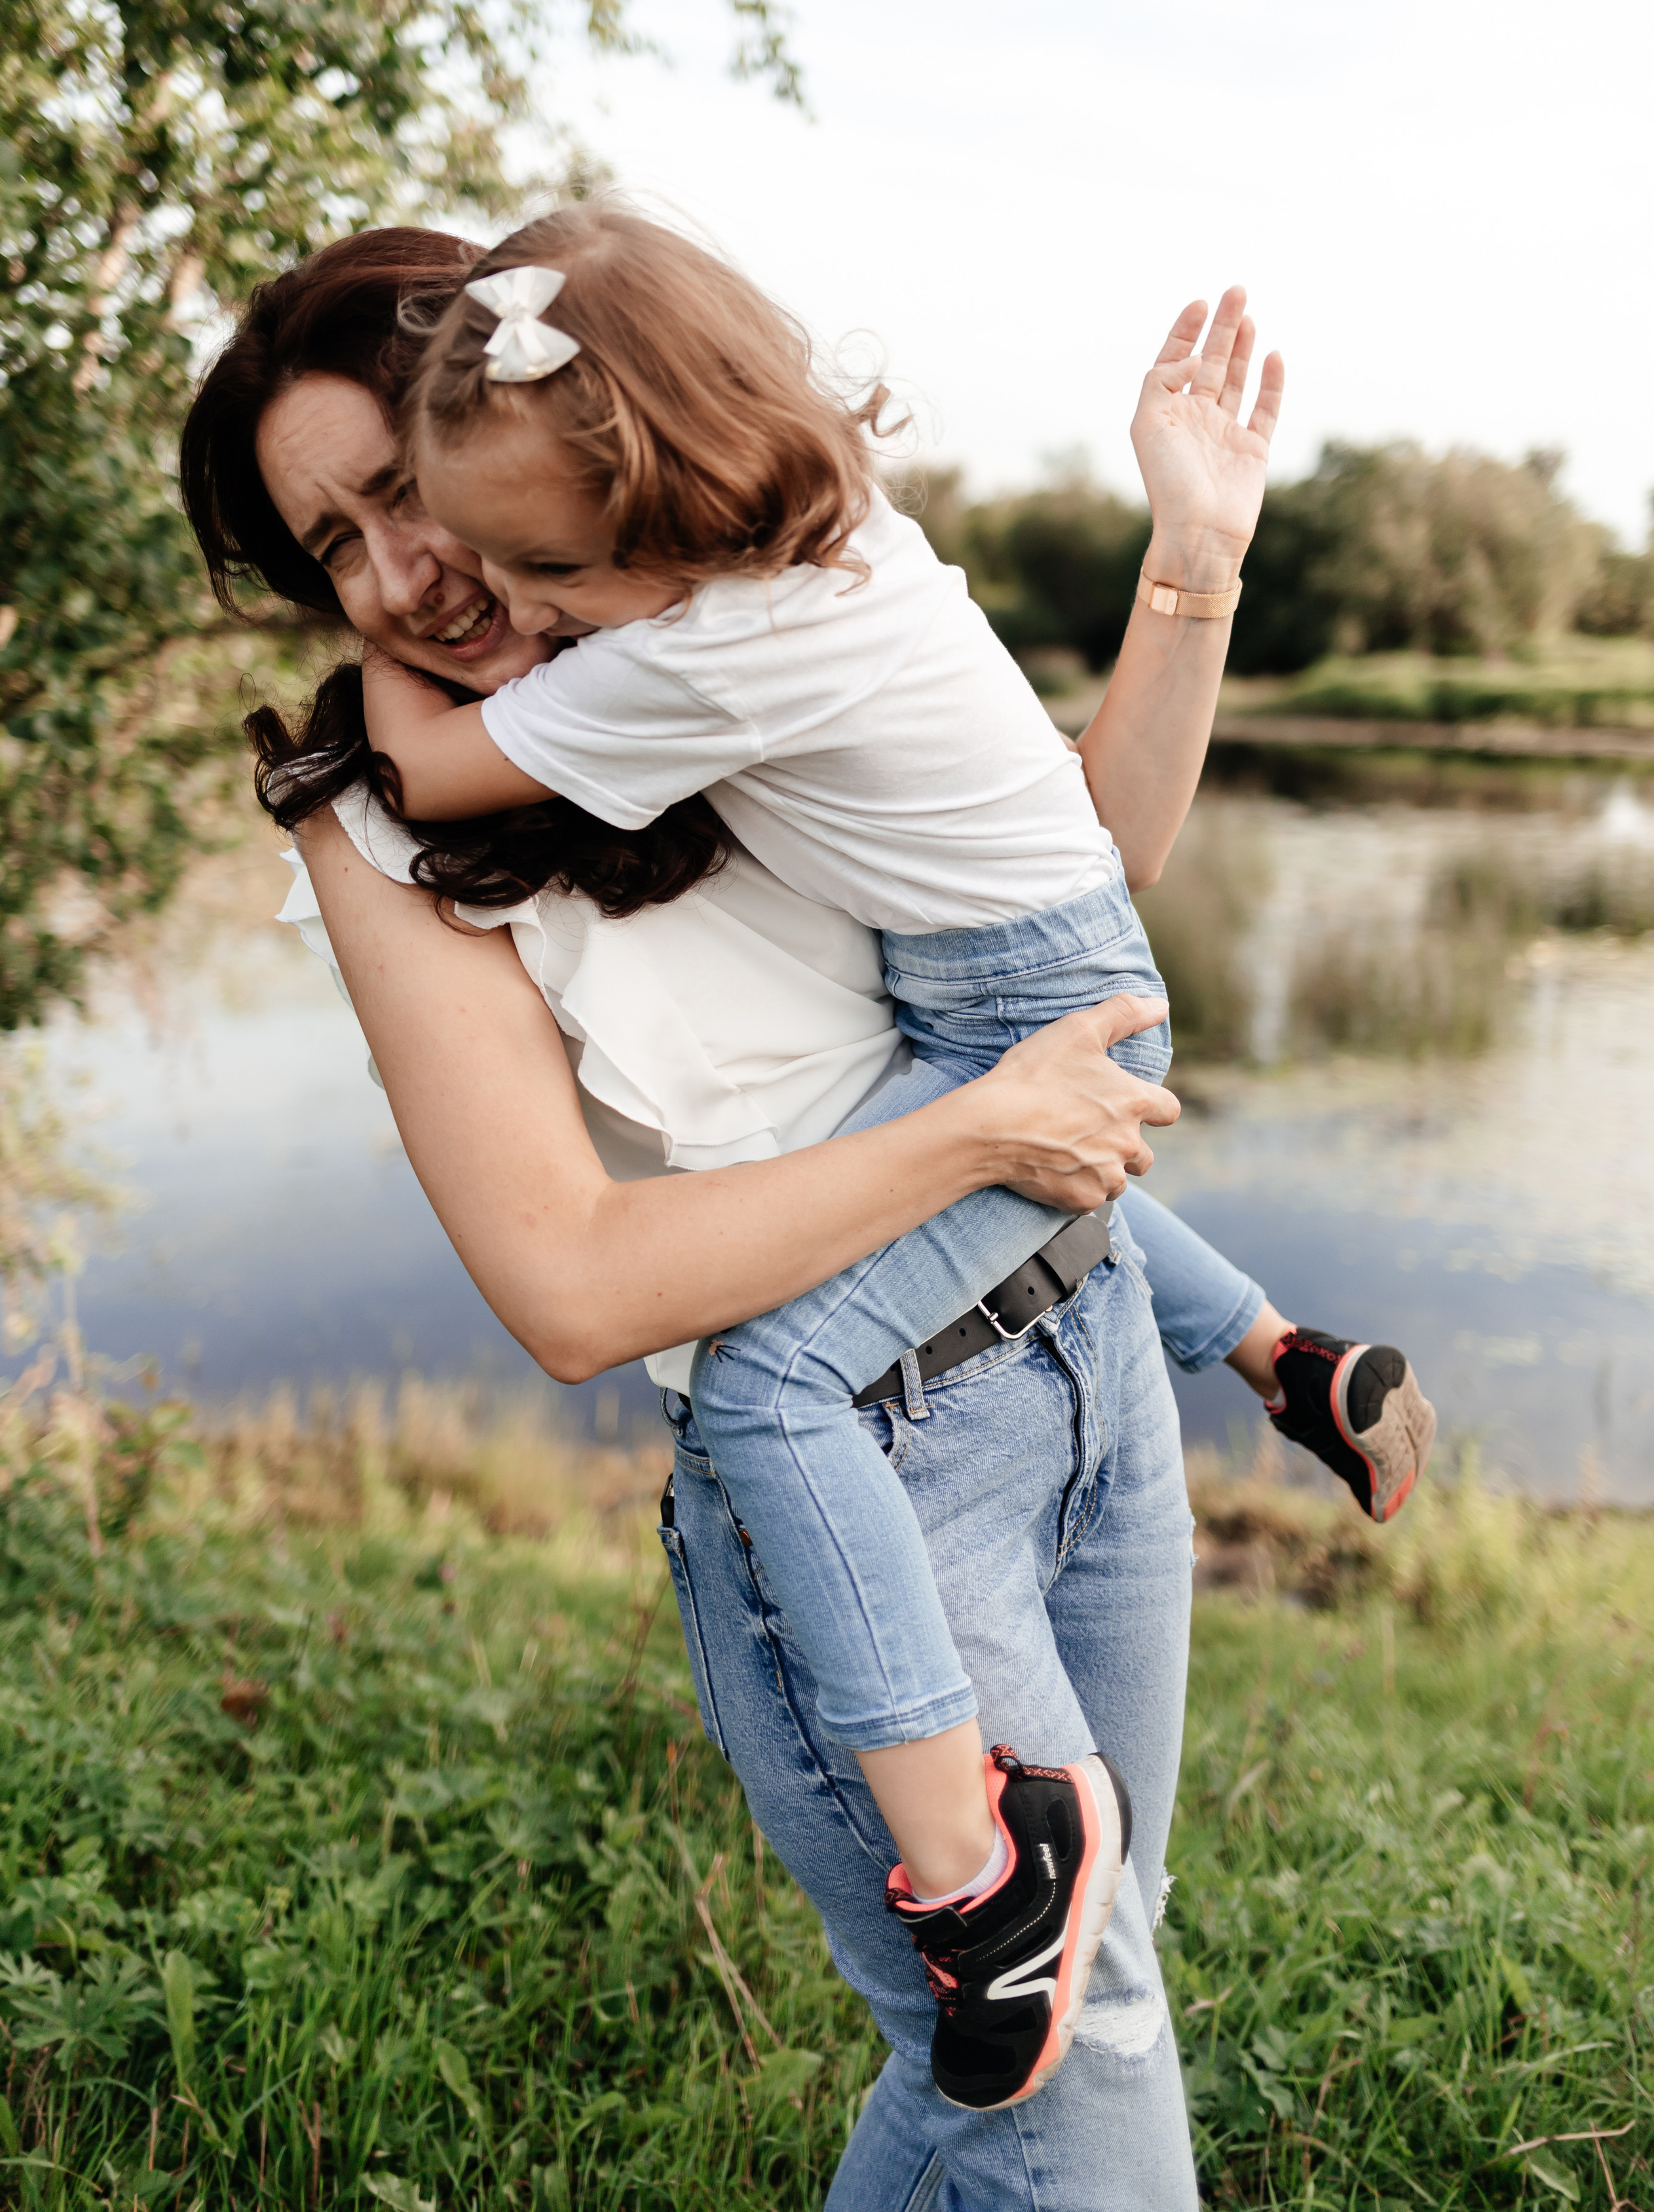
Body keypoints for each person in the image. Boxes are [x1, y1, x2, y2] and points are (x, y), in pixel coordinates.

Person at [179, 227, 1429, 2204]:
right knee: (1070, 2062)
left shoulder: (726, 632)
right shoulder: (390, 832)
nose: (407, 570)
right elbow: (575, 1291)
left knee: (1063, 2023)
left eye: (407, 492)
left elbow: (1078, 866)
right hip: (868, 1472)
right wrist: (975, 1136)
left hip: (1086, 1356)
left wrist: (1194, 556)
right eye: (337, 547)